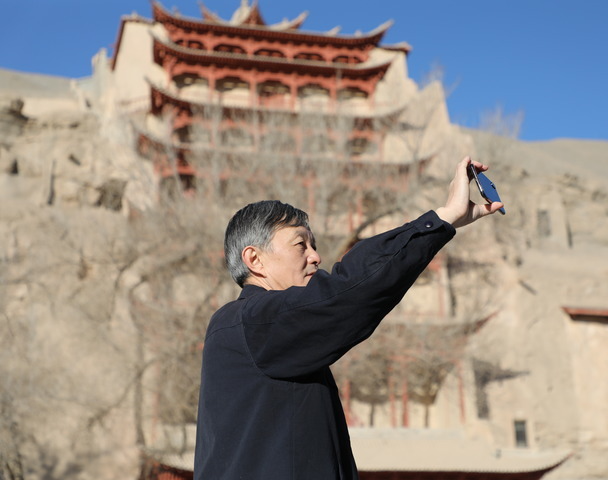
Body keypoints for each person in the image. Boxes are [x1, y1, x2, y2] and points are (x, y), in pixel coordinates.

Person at [194, 156, 504, 479]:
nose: (316, 256)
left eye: (313, 245)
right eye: (301, 244)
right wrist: (443, 218)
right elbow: (349, 290)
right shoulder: (252, 321)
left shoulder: (261, 333)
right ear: (255, 259)